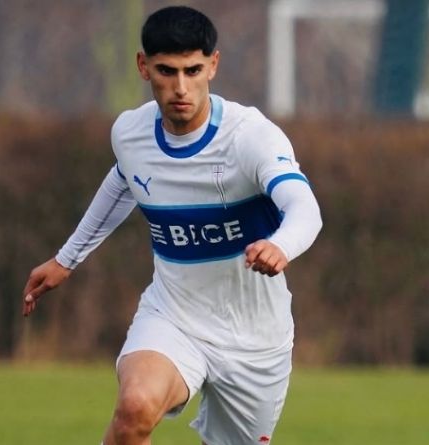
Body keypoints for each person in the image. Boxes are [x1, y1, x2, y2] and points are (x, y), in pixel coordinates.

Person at [21, 5, 322, 445]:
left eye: (192, 70)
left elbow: (305, 208)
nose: (180, 87)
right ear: (144, 67)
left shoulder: (250, 137)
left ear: (213, 65)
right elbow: (123, 182)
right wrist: (67, 259)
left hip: (255, 339)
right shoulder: (130, 134)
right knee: (134, 409)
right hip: (174, 316)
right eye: (167, 71)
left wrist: (282, 245)